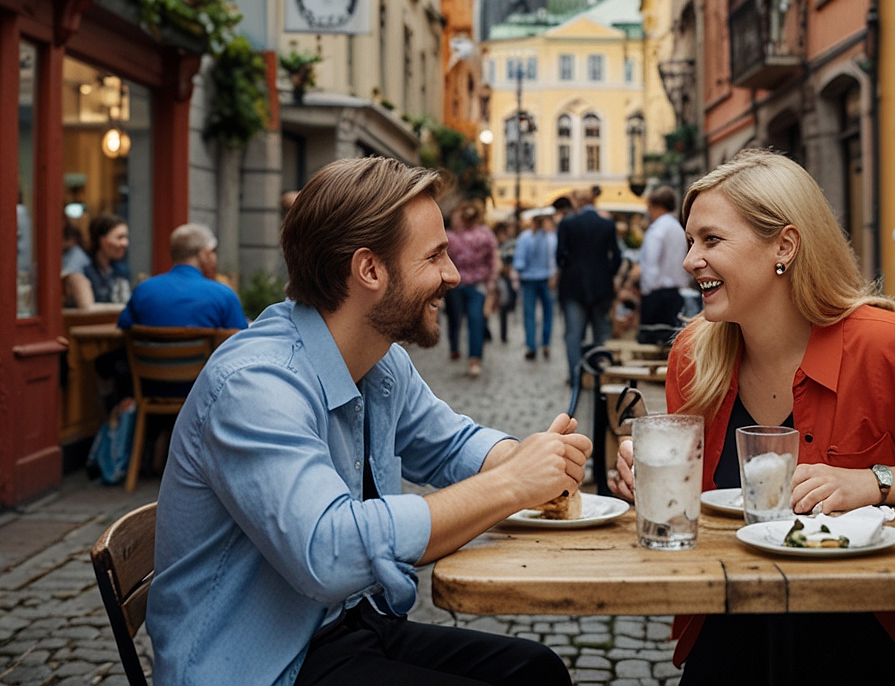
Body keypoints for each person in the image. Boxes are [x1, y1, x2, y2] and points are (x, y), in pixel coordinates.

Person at [148, 157, 589, 686]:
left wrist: (537, 458)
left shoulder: (380, 360)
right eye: (435, 256)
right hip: (258, 665)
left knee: (537, 671)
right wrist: (513, 482)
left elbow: (450, 445)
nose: (452, 275)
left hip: (345, 628)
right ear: (370, 270)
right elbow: (328, 552)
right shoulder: (255, 384)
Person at [612, 150, 895, 686]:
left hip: (878, 625)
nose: (689, 260)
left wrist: (873, 482)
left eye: (711, 240)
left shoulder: (893, 347)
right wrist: (647, 482)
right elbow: (700, 506)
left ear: (785, 247)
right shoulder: (695, 357)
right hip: (735, 617)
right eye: (690, 241)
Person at [117, 223, 248, 330]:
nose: (215, 258)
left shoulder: (143, 289)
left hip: (148, 362)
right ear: (203, 255)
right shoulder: (224, 295)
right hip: (204, 362)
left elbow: (123, 326)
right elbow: (241, 340)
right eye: (213, 252)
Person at [556, 187, 621, 390]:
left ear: (577, 202)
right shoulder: (607, 224)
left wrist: (570, 269)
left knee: (574, 335)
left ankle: (576, 377)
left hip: (573, 286)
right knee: (602, 334)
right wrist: (606, 273)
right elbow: (616, 257)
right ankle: (602, 375)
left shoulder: (567, 223)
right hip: (602, 286)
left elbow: (560, 256)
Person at [444, 202, 499, 377]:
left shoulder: (455, 236)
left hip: (468, 284)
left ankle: (472, 357)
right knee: (464, 318)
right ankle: (463, 352)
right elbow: (494, 259)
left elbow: (493, 259)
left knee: (470, 319)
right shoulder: (452, 236)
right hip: (462, 284)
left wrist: (491, 281)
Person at [637, 185, 690, 344]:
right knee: (670, 340)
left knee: (652, 339)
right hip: (676, 291)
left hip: (657, 293)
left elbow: (651, 264)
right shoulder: (678, 229)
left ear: (656, 206)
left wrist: (646, 290)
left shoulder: (657, 230)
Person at [513, 213, 557, 360]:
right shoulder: (551, 238)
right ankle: (545, 343)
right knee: (548, 313)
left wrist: (521, 271)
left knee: (529, 314)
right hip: (546, 279)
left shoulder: (525, 237)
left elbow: (519, 261)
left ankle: (531, 345)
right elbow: (554, 260)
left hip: (529, 280)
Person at [66, 214, 130, 308]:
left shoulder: (121, 269)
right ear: (102, 240)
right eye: (119, 237)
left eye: (126, 237)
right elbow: (86, 307)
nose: (125, 243)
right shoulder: (80, 262)